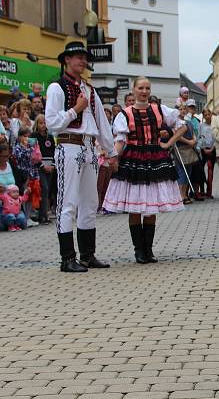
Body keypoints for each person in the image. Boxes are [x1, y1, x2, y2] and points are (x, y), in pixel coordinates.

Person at [45, 41, 117, 273]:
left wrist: (112, 151)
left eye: (84, 57)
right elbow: (52, 122)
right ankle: (67, 258)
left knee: (90, 202)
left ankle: (87, 255)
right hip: (68, 145)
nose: (82, 61)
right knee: (68, 202)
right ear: (66, 59)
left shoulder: (89, 90)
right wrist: (75, 109)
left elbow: (102, 123)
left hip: (89, 147)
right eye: (77, 57)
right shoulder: (57, 87)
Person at [103, 76, 185, 263]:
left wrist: (168, 144)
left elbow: (181, 126)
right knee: (134, 207)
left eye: (147, 88)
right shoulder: (125, 114)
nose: (144, 91)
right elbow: (121, 140)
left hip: (155, 157)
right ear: (133, 90)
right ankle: (139, 250)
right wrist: (113, 156)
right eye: (141, 88)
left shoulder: (159, 109)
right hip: (134, 159)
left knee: (151, 206)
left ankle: (148, 250)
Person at [174, 103, 199, 204]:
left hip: (189, 149)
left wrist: (194, 140)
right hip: (180, 149)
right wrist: (189, 142)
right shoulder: (175, 122)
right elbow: (177, 135)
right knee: (182, 172)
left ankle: (185, 193)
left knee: (188, 171)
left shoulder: (188, 122)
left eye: (184, 109)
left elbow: (193, 133)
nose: (183, 111)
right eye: (180, 109)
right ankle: (180, 195)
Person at [33, 114, 55, 224]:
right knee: (44, 189)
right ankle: (43, 215)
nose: (43, 125)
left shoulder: (50, 137)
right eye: (41, 123)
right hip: (40, 167)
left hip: (50, 166)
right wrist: (42, 166)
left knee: (48, 190)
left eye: (45, 123)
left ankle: (45, 214)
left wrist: (53, 165)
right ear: (37, 124)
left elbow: (54, 151)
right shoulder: (34, 136)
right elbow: (34, 153)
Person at [198, 109, 216, 200]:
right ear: (203, 116)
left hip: (212, 149)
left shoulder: (214, 125)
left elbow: (216, 137)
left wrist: (213, 148)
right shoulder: (201, 125)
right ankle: (201, 190)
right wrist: (203, 148)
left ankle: (209, 191)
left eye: (209, 114)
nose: (208, 116)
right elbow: (200, 137)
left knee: (210, 170)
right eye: (206, 115)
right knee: (201, 170)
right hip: (203, 149)